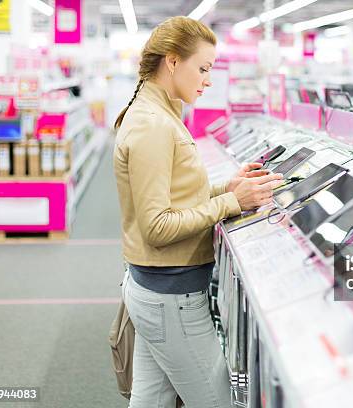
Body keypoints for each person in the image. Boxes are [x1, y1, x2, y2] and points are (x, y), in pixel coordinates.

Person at [113, 16, 283, 408]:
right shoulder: (153, 124)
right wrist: (231, 203)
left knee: (151, 401)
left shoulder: (157, 113)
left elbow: (174, 195)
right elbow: (156, 227)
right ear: (172, 62)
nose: (208, 80)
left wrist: (229, 187)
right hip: (170, 299)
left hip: (155, 291)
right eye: (203, 68)